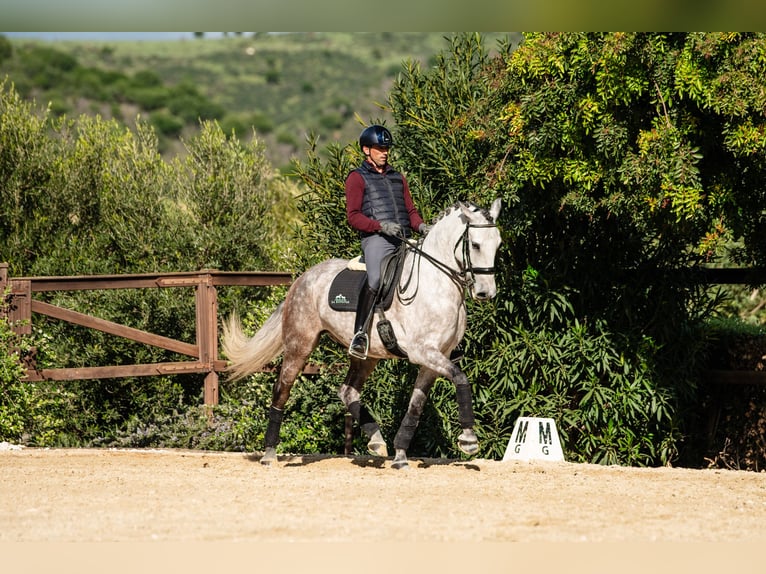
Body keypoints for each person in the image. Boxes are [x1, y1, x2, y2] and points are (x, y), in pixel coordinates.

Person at [344, 124, 429, 359]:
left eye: (386, 148)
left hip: (403, 238)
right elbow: (353, 217)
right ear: (366, 150)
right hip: (377, 240)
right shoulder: (357, 178)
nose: (385, 152)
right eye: (380, 148)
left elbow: (410, 211)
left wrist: (421, 226)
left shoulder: (397, 178)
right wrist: (380, 226)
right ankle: (360, 334)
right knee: (375, 279)